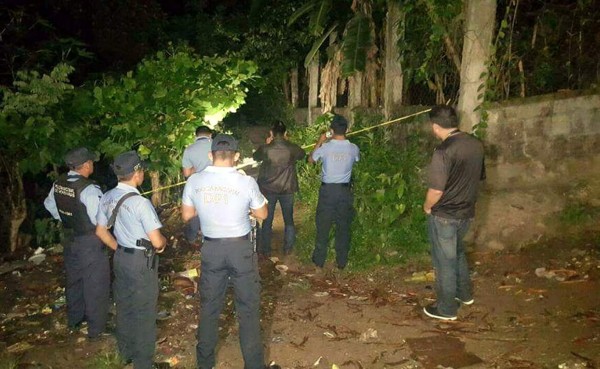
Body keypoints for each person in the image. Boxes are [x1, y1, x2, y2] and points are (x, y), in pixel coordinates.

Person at [181, 134, 271, 369]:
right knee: (248, 310)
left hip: (212, 249)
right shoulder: (246, 182)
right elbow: (262, 214)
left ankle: (204, 364)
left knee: (210, 307)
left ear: (211, 155)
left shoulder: (195, 181)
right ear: (237, 156)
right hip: (240, 250)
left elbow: (187, 215)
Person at [95, 151, 167, 369]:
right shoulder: (140, 203)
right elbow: (156, 241)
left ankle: (125, 354)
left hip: (121, 259)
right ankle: (144, 364)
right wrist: (163, 243)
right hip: (140, 264)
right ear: (137, 174)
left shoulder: (107, 197)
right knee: (145, 312)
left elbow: (100, 231)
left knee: (124, 307)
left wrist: (120, 249)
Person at [422, 105, 485, 321]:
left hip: (445, 216)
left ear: (435, 126)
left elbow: (436, 190)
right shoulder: (475, 144)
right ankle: (464, 294)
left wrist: (427, 206)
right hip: (467, 212)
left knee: (444, 262)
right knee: (457, 253)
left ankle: (446, 308)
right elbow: (478, 177)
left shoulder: (443, 151)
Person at [43, 147, 110, 340]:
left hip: (69, 239)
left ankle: (74, 320)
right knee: (95, 284)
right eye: (92, 162)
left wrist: (66, 220)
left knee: (74, 280)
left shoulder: (59, 183)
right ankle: (96, 330)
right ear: (87, 164)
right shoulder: (88, 188)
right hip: (89, 241)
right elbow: (100, 220)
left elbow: (49, 205)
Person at [308, 114, 360, 271]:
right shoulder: (353, 148)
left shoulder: (326, 147)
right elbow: (356, 160)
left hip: (328, 191)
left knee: (323, 225)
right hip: (345, 191)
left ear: (331, 130)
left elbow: (311, 160)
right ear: (347, 129)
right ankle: (341, 262)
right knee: (343, 226)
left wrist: (320, 141)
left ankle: (319, 261)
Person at [253, 121, 305, 257]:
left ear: (272, 133)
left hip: (269, 189)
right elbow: (302, 154)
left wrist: (267, 143)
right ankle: (288, 248)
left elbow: (255, 157)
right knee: (289, 220)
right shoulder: (292, 148)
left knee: (267, 219)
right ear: (285, 133)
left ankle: (265, 249)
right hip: (287, 189)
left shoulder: (266, 149)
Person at [182, 125, 213, 242]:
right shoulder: (216, 146)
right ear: (210, 135)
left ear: (196, 136)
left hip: (198, 185)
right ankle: (209, 239)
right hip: (217, 184)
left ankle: (192, 238)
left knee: (196, 210)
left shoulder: (189, 149)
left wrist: (197, 168)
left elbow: (186, 174)